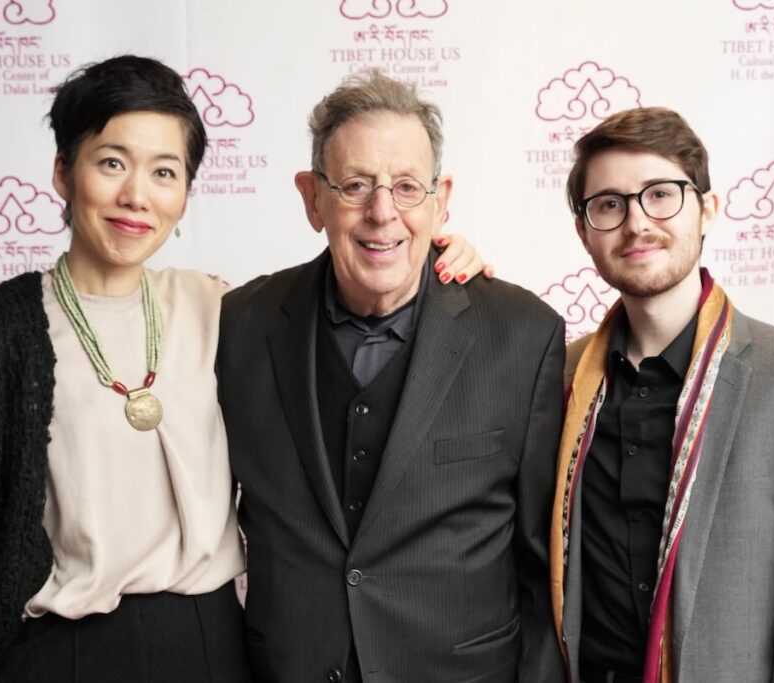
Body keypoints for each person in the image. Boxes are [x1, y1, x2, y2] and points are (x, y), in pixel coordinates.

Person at [0, 55, 484, 683]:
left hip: (211, 647)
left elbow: (361, 286)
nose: (136, 195)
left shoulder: (222, 309)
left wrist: (443, 261)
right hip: (55, 655)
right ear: (63, 172)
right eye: (111, 163)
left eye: (165, 172)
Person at [216, 70, 566, 683]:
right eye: (355, 185)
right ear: (311, 197)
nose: (383, 213)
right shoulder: (236, 326)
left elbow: (546, 566)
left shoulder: (522, 334)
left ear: (441, 198)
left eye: (406, 187)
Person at [549, 107, 774, 682]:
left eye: (661, 195)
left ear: (707, 210)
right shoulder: (558, 381)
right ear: (585, 232)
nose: (637, 223)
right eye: (610, 204)